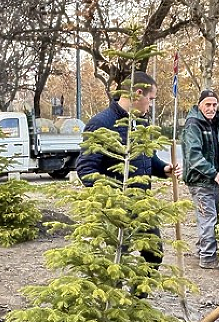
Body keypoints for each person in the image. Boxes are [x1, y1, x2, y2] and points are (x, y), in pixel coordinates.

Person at [75, 72, 179, 264]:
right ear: (138, 93)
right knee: (116, 262)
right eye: (150, 99)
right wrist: (112, 198)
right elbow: (85, 169)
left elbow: (147, 157)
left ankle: (142, 286)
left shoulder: (141, 122)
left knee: (154, 255)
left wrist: (164, 168)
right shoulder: (100, 123)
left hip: (142, 206)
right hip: (115, 211)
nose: (151, 105)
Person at [181, 89, 219, 269]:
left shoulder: (216, 123)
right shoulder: (193, 125)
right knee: (208, 219)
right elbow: (194, 156)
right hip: (200, 181)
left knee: (211, 217)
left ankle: (201, 250)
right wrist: (214, 173)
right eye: (207, 104)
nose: (211, 108)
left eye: (214, 105)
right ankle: (208, 258)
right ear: (199, 105)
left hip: (212, 181)